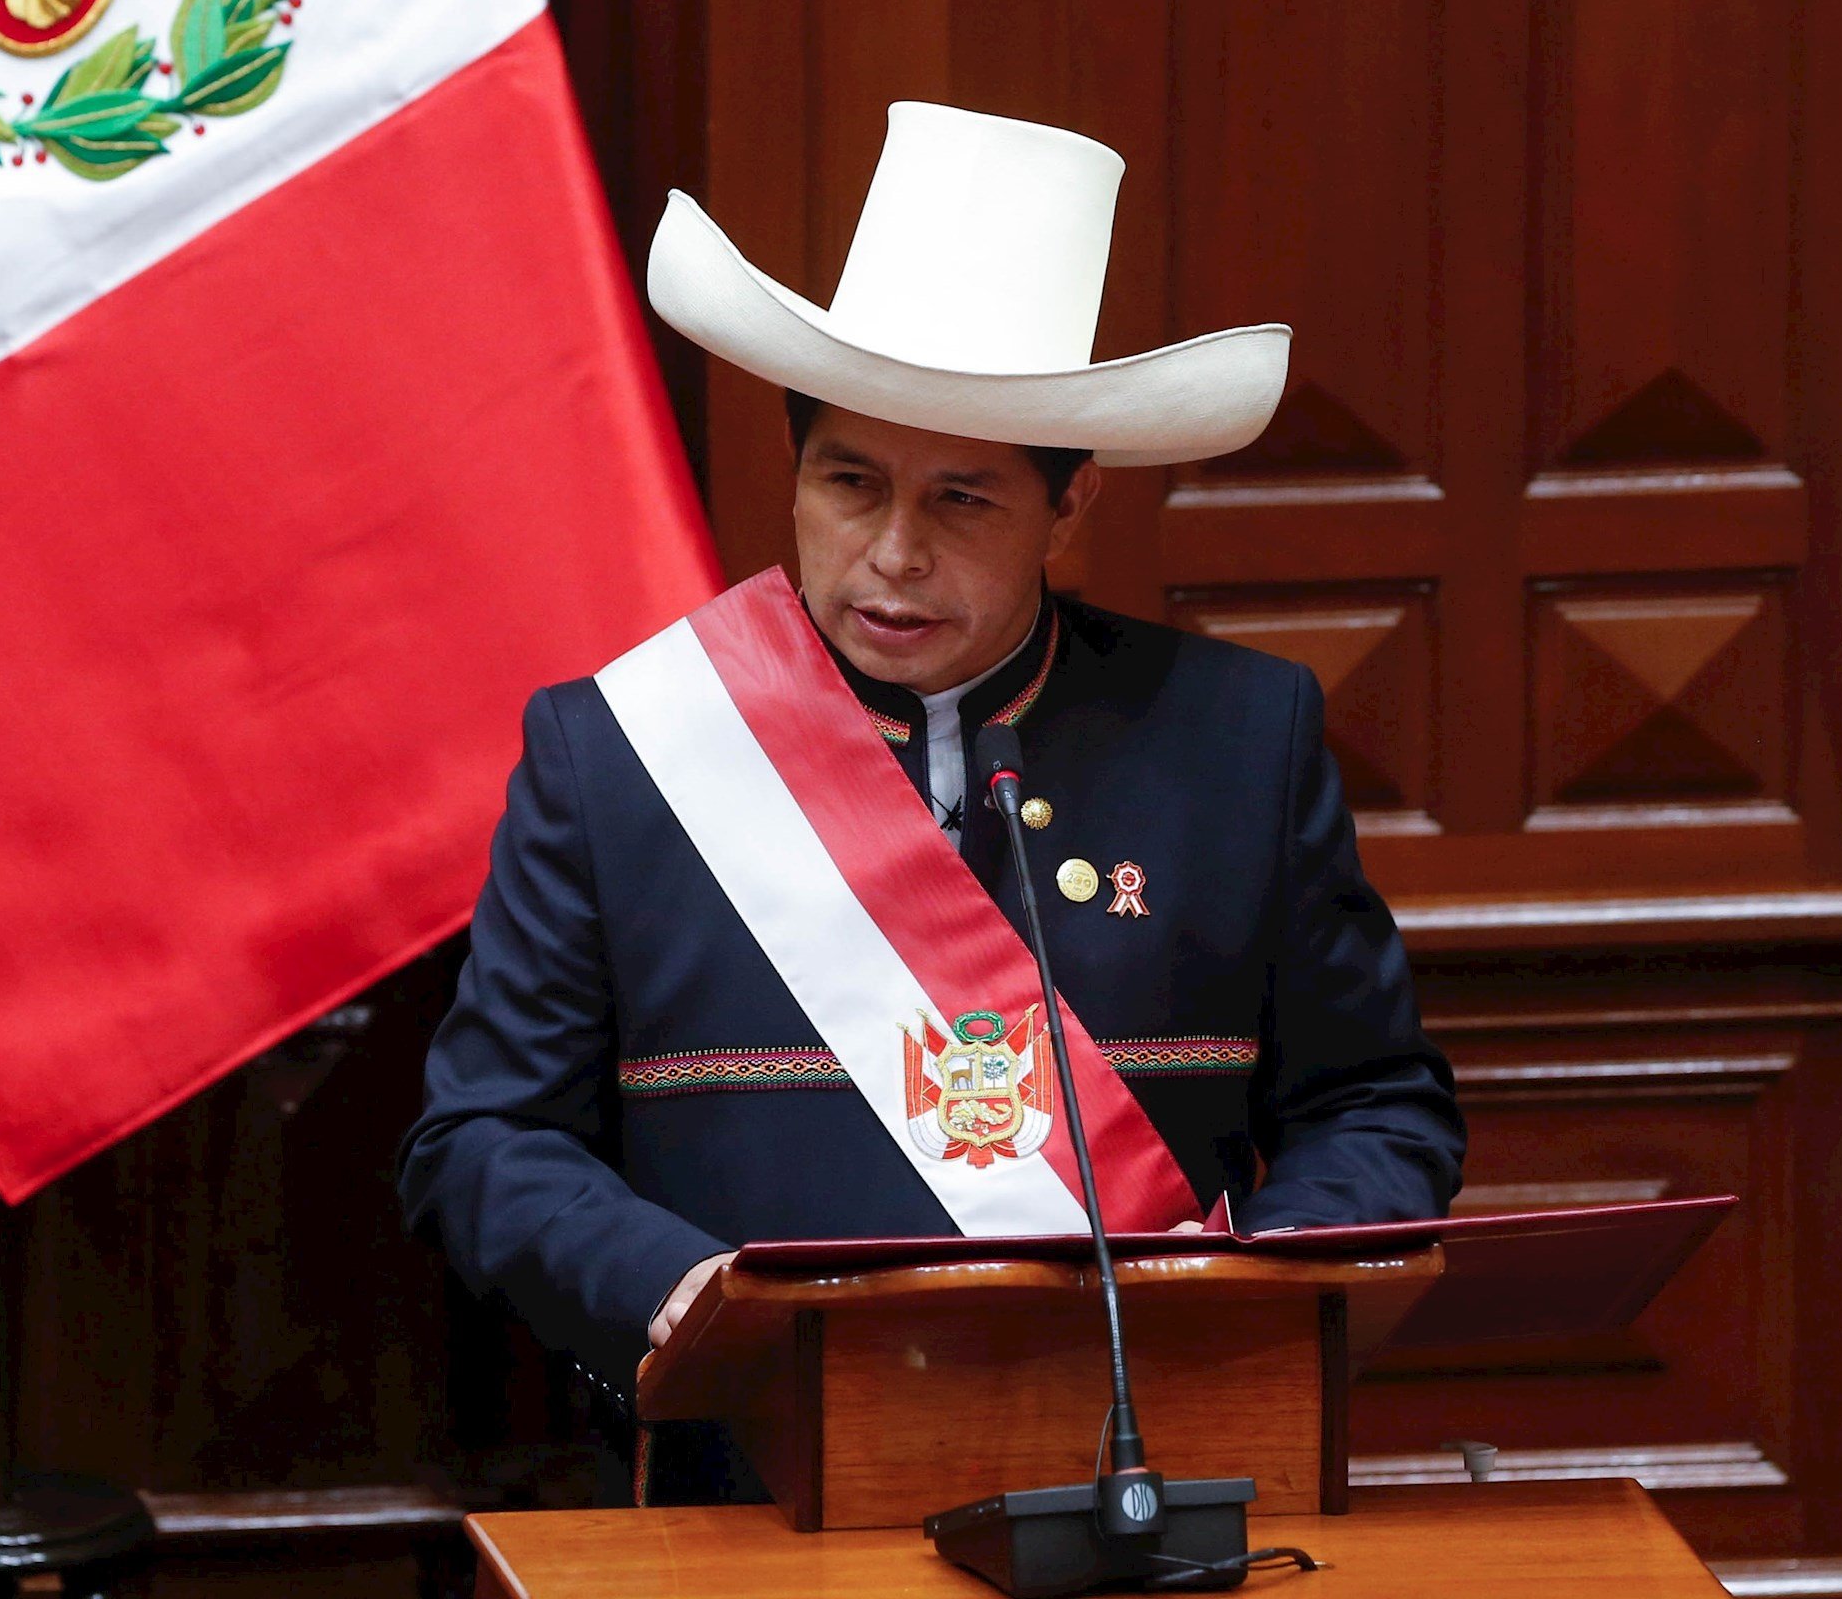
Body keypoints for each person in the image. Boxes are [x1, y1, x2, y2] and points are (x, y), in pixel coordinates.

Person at [398, 103, 1462, 1488]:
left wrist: (1247, 1300)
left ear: (1066, 514)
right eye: (851, 483)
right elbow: (481, 1142)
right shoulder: (621, 753)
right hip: (752, 1493)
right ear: (795, 476)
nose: (890, 556)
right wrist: (685, 1296)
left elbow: (1376, 1106)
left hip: (1152, 1480)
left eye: (962, 502)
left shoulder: (1238, 741)